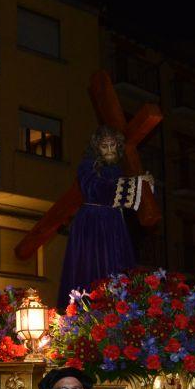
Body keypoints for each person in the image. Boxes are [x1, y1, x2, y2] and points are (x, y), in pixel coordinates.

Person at [56, 125, 154, 308]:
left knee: (116, 268)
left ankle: (119, 311)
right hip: (92, 224)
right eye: (104, 146)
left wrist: (144, 184)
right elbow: (96, 189)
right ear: (96, 148)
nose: (109, 150)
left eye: (112, 145)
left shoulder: (119, 168)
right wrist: (136, 184)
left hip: (114, 224)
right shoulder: (87, 166)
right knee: (90, 268)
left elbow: (132, 194)